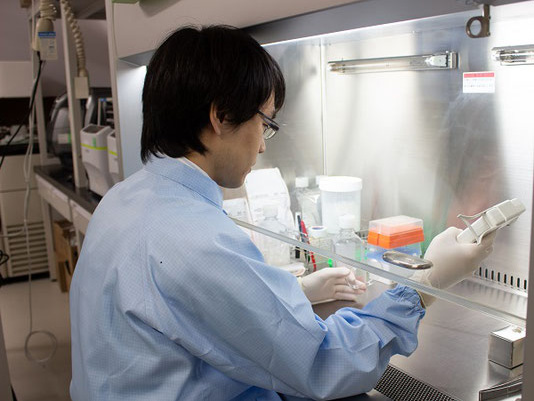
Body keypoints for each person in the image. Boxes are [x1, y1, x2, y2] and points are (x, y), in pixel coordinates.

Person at [69, 25, 495, 400]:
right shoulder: (195, 238)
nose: (261, 145)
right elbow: (324, 363)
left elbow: (186, 311)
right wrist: (424, 285)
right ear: (221, 116)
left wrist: (297, 292)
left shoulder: (125, 199)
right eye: (266, 123)